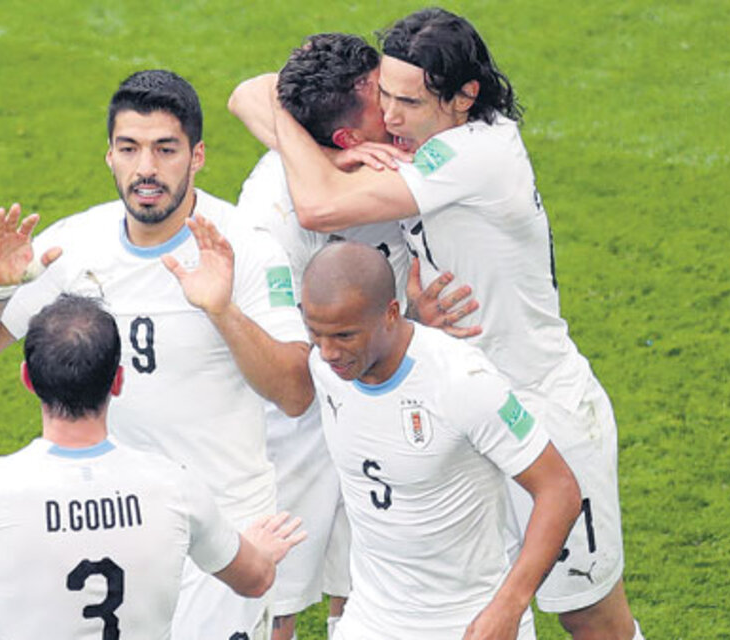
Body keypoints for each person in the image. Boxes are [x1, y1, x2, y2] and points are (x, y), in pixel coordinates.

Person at [236, 8, 644, 639]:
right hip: (459, 408)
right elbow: (251, 91)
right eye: (385, 97)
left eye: (407, 101)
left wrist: (313, 145)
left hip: (540, 403)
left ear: (463, 97)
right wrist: (323, 140)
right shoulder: (432, 133)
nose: (391, 120)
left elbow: (317, 204)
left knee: (587, 612)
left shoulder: (472, 154)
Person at [0, 69, 314, 639]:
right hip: (117, 527)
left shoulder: (247, 248)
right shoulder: (74, 245)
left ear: (198, 156)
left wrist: (221, 311)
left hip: (224, 530)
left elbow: (294, 392)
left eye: (165, 149)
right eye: (130, 148)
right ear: (109, 156)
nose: (146, 169)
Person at [232, 33, 480, 640]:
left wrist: (413, 325)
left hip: (385, 410)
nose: (397, 108)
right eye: (381, 101)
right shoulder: (272, 216)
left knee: (366, 594)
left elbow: (252, 92)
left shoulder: (397, 162)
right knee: (276, 605)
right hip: (293, 439)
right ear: (346, 140)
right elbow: (289, 377)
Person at [0, 295, 306, 640]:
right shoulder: (175, 487)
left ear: (29, 380)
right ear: (118, 381)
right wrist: (262, 551)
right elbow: (254, 580)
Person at [300, 241, 580, 640]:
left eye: (345, 335)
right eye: (316, 333)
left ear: (390, 315)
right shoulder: (326, 368)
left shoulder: (463, 383)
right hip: (370, 621)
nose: (328, 351)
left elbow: (560, 488)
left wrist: (510, 605)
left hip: (468, 624)